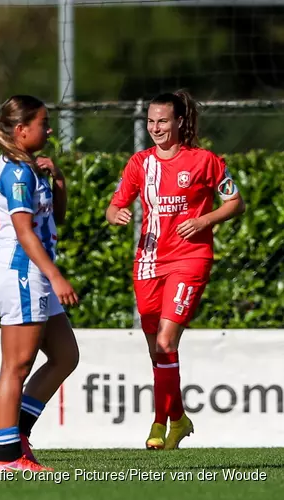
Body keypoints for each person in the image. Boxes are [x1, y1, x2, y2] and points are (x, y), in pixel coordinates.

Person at [106, 90, 245, 450]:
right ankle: (179, 419)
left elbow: (235, 202)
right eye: (150, 121)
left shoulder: (204, 161)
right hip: (148, 262)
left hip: (189, 259)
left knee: (167, 342)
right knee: (158, 351)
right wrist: (116, 214)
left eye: (162, 121)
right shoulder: (139, 164)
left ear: (179, 122)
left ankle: (157, 422)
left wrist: (204, 221)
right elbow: (115, 204)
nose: (155, 127)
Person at [0, 95, 80, 472]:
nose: (50, 128)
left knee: (65, 356)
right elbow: (24, 232)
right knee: (16, 365)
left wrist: (57, 179)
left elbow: (53, 217)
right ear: (22, 130)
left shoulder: (30, 168)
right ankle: (7, 457)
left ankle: (17, 435)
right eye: (43, 123)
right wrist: (55, 276)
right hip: (22, 272)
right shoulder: (17, 171)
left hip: (33, 272)